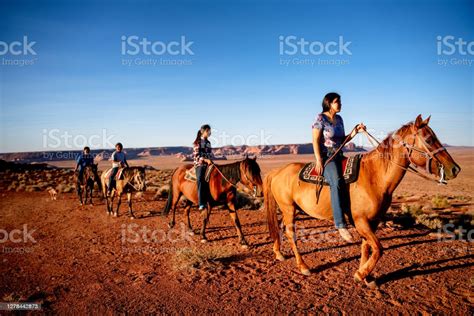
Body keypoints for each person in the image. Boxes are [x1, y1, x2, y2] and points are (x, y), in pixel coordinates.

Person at [312, 92, 365, 242]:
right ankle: (340, 224)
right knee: (336, 181)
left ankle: (355, 214)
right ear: (329, 103)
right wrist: (318, 159)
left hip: (339, 153)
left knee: (356, 174)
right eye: (337, 102)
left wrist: (356, 131)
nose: (340, 104)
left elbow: (342, 139)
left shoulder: (340, 119)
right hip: (327, 156)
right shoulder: (320, 118)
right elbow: (315, 140)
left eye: (340, 101)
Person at [193, 124, 214, 210]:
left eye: (210, 131)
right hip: (199, 164)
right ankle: (201, 202)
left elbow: (209, 154)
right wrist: (205, 160)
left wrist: (210, 160)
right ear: (203, 132)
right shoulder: (197, 142)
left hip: (208, 163)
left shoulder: (208, 143)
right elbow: (197, 155)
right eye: (208, 131)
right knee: (200, 179)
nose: (209, 132)